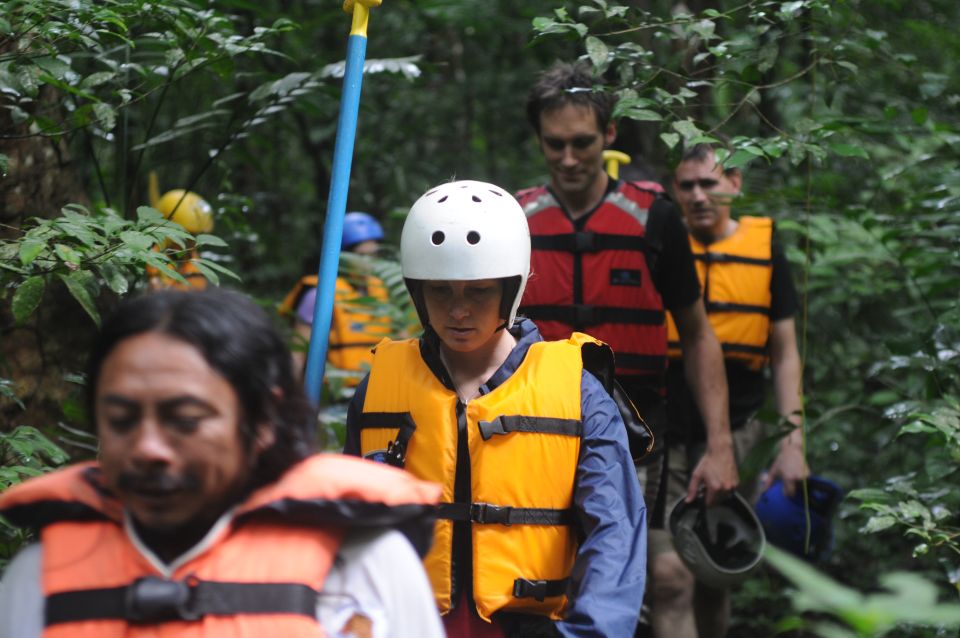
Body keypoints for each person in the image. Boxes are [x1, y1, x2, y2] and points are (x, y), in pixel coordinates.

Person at [0, 288, 445, 638]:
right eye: (121, 420)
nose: (147, 448)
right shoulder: (40, 579)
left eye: (186, 420)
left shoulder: (364, 564)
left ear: (263, 420)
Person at [344, 180, 646, 637]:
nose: (458, 310)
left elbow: (615, 532)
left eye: (479, 291)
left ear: (511, 289)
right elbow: (349, 523)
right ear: (417, 290)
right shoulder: (379, 386)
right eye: (441, 291)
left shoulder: (578, 391)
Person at [655, 142, 810, 638]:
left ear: (736, 185)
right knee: (670, 576)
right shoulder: (662, 244)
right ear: (675, 192)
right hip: (664, 434)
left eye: (710, 183)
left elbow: (785, 354)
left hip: (737, 432)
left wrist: (792, 445)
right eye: (687, 185)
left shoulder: (764, 248)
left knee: (713, 574)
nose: (699, 196)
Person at [280, 211, 392, 385]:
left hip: (378, 392)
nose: (368, 262)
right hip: (334, 397)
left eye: (373, 255)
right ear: (343, 256)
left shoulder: (380, 290)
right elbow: (297, 354)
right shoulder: (320, 294)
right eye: (361, 256)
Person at [145, 172, 215, 290]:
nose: (190, 242)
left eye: (193, 236)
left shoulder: (194, 265)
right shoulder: (152, 258)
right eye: (185, 235)